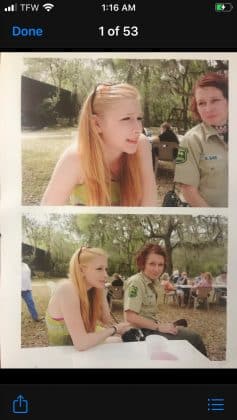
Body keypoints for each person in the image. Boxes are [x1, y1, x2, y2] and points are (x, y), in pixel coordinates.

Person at [41, 83, 157, 207]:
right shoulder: (75, 159)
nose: (138, 129)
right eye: (126, 118)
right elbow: (47, 210)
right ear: (96, 124)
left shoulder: (141, 145)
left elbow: (150, 207)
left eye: (139, 118)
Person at [123, 243, 207, 356]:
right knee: (194, 338)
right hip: (140, 333)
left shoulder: (154, 282)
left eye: (160, 265)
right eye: (152, 264)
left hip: (151, 328)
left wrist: (160, 325)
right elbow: (130, 317)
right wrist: (159, 327)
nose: (157, 269)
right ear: (143, 263)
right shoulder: (136, 282)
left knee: (187, 333)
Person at [45, 247, 131, 350]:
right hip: (65, 351)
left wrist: (102, 292)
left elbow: (106, 320)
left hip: (83, 339)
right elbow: (81, 343)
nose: (105, 275)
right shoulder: (67, 289)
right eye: (99, 269)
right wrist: (115, 329)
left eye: (106, 269)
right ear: (81, 270)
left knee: (124, 337)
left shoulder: (92, 289)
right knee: (119, 341)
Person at [174, 72, 228, 207]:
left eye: (215, 100)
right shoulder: (190, 140)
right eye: (201, 103)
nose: (208, 109)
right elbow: (188, 190)